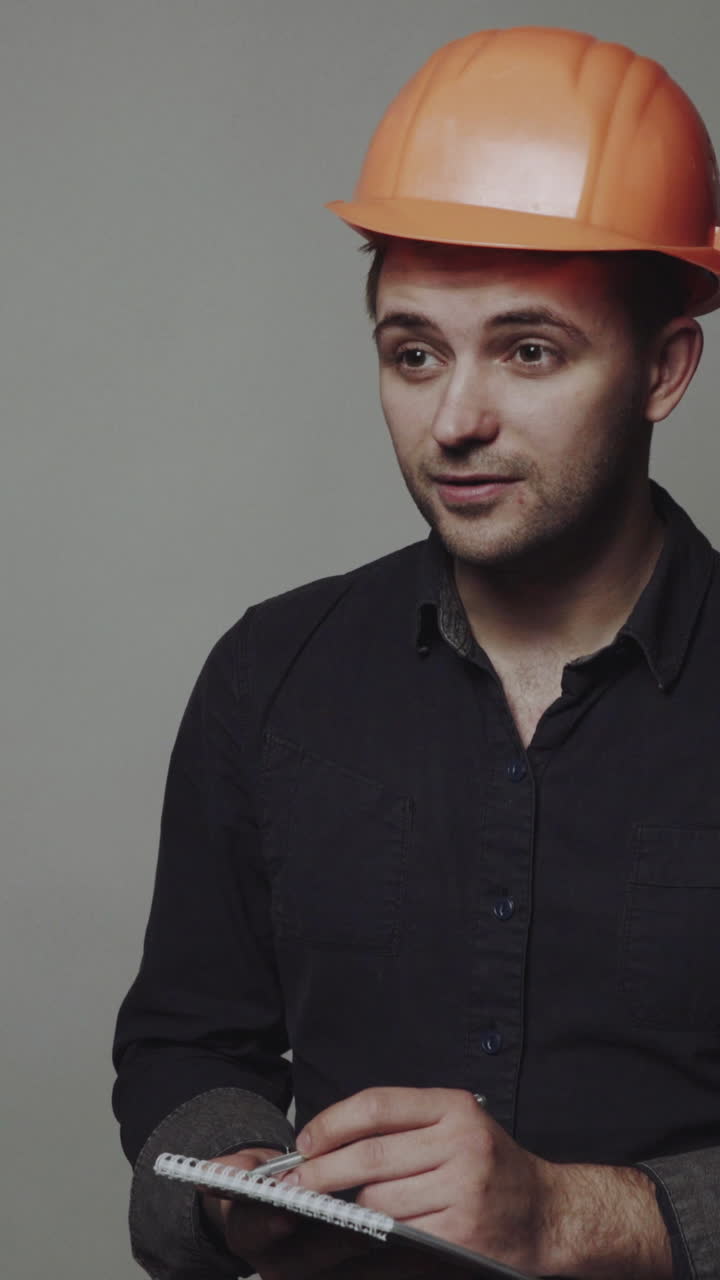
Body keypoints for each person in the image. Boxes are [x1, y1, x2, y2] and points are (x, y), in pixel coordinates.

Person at [112, 25, 720, 1280]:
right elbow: (186, 1046)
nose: (456, 420)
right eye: (414, 352)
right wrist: (233, 1182)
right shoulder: (269, 674)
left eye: (530, 349)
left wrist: (571, 1216)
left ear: (663, 367)